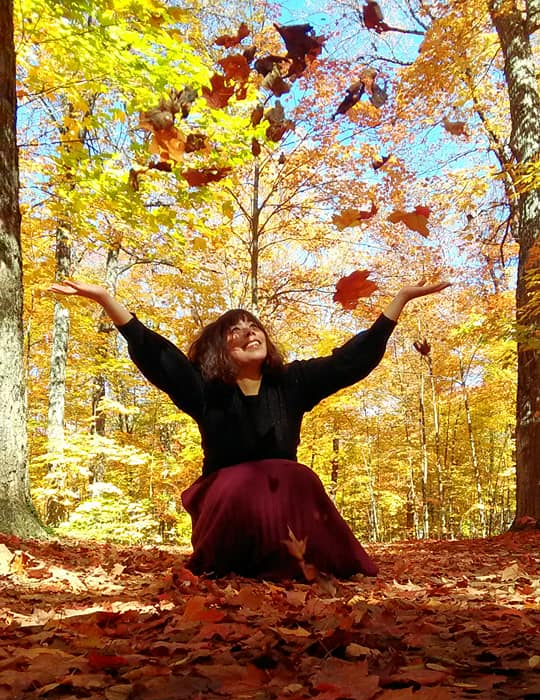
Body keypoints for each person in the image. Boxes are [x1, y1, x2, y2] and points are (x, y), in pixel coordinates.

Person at [49, 277, 450, 580]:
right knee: (242, 481)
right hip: (226, 495)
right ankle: (224, 563)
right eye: (236, 330)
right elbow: (160, 358)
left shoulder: (292, 382)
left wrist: (398, 302)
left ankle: (314, 562)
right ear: (218, 348)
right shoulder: (204, 389)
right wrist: (106, 299)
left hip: (285, 493)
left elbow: (349, 361)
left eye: (255, 326)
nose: (250, 332)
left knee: (298, 475)